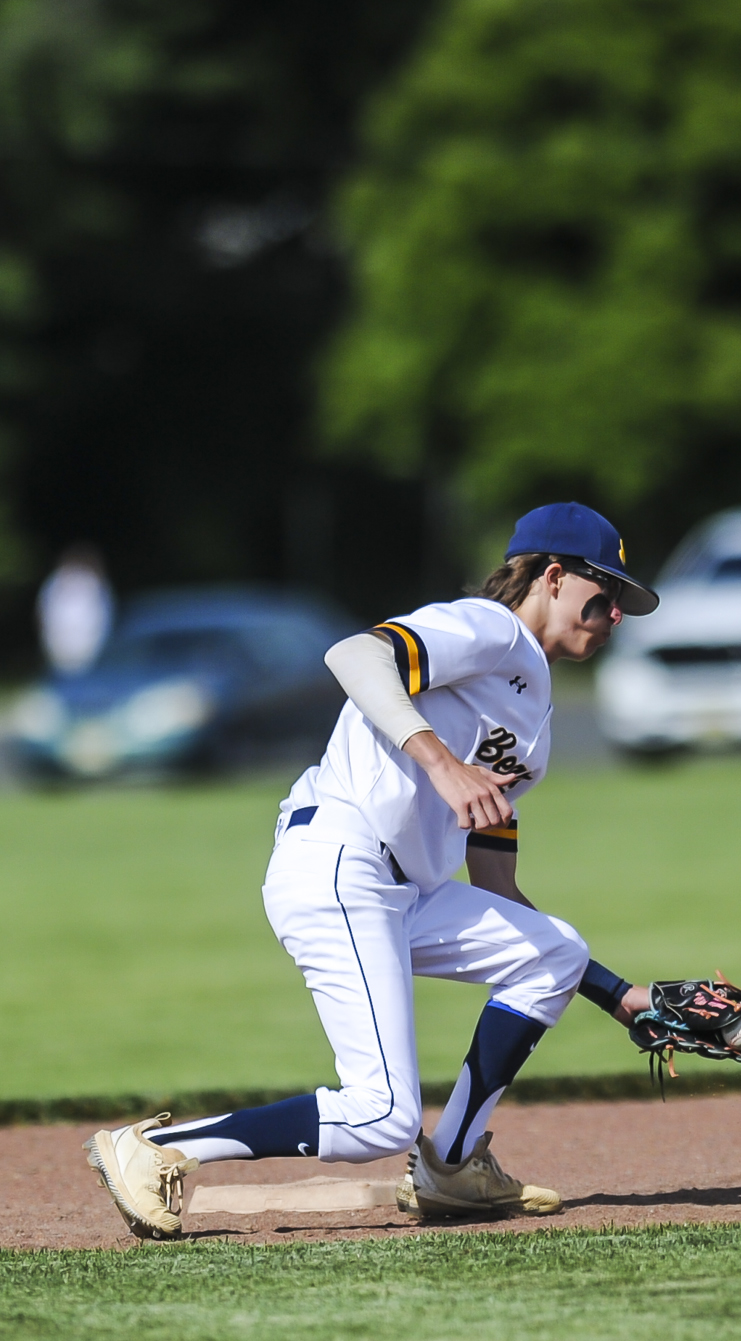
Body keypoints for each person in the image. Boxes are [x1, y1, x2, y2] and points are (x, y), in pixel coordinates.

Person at [86, 504, 680, 1240]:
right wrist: (442, 762)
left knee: (551, 949)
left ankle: (452, 1166)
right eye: (606, 594)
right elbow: (353, 655)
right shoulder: (491, 628)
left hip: (405, 889)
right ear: (554, 576)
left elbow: (497, 886)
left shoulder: (536, 717)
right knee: (380, 1112)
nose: (616, 613)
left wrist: (621, 997)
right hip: (342, 858)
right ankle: (153, 1148)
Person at [37, 542, 113, 674]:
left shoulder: (93, 583)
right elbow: (44, 613)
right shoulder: (55, 583)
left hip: (89, 649)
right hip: (59, 648)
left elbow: (104, 616)